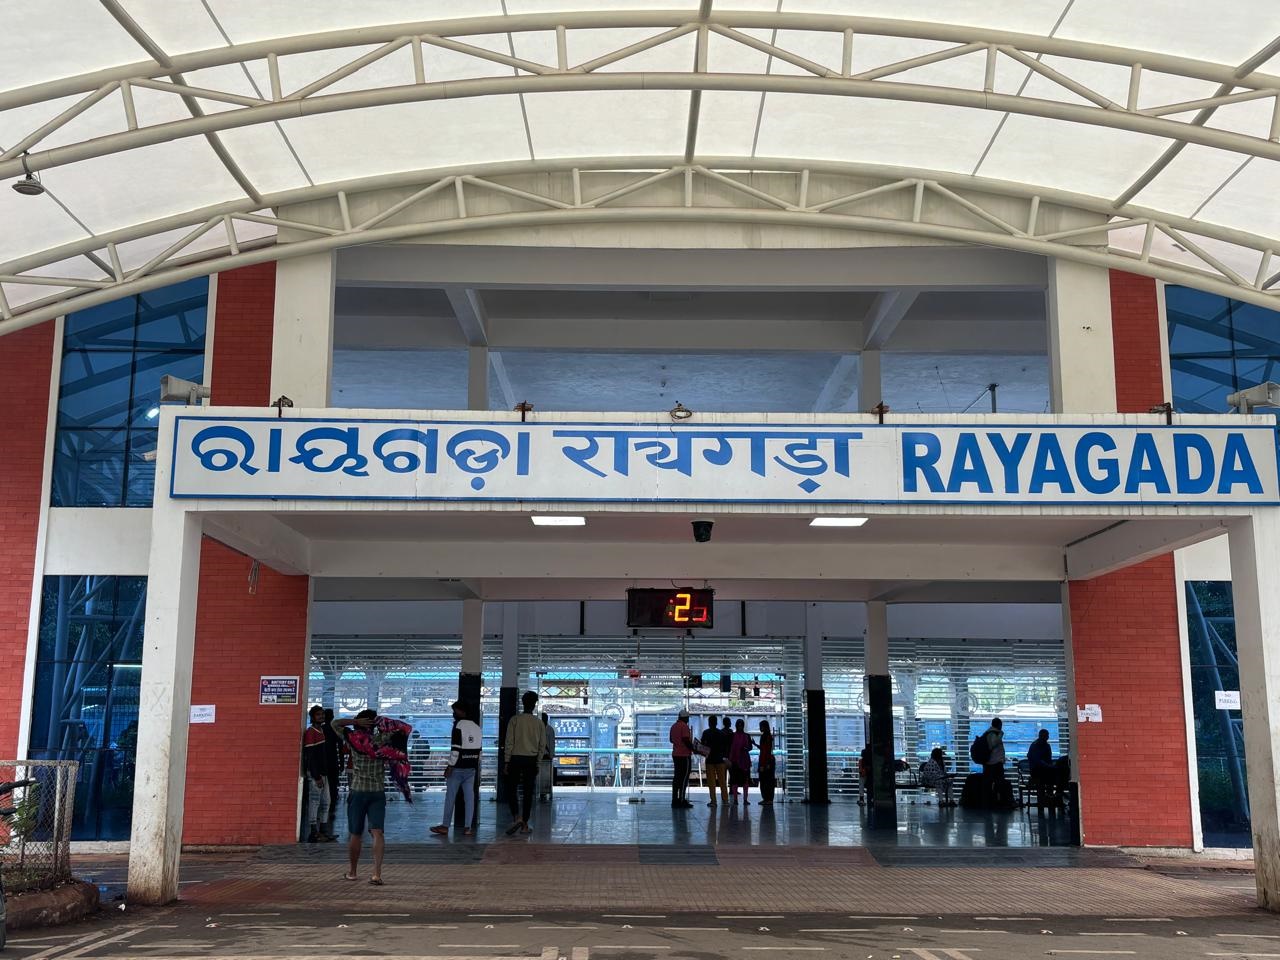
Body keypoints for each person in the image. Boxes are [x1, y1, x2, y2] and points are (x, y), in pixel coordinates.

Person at [331, 708, 411, 885]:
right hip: (377, 792)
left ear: (360, 723)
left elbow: (334, 723)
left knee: (355, 834)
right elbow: (403, 728)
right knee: (377, 833)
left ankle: (352, 872)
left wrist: (354, 722)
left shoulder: (353, 739)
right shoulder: (382, 740)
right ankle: (376, 874)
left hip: (358, 791)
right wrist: (382, 722)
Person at [430, 701, 481, 837]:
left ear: (461, 711)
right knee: (469, 798)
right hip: (471, 768)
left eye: (455, 711)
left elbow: (455, 749)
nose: (454, 713)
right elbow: (479, 750)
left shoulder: (458, 726)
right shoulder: (477, 727)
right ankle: (468, 827)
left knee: (450, 797)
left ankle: (445, 826)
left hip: (457, 768)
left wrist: (450, 766)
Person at [504, 690, 546, 836]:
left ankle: (517, 816)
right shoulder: (539, 723)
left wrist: (507, 761)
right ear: (534, 705)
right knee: (528, 792)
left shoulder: (514, 720)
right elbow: (542, 746)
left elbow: (509, 742)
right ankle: (525, 824)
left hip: (515, 758)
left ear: (522, 703)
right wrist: (538, 763)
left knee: (511, 789)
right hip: (531, 760)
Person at [301, 706, 336, 842]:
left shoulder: (322, 730)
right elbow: (310, 756)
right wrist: (316, 776)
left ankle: (323, 830)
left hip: (323, 773)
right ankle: (313, 832)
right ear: (312, 717)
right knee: (315, 801)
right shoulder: (311, 732)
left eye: (322, 714)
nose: (321, 716)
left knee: (326, 802)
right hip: (316, 774)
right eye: (318, 714)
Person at [321, 707, 343, 839]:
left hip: (323, 761)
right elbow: (340, 747)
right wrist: (342, 763)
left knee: (324, 785)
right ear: (333, 717)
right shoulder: (335, 729)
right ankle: (331, 807)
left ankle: (324, 808)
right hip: (333, 761)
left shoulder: (321, 729)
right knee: (333, 785)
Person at [1027, 729, 1064, 805]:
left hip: (1043, 770)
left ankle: (1051, 796)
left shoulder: (1044, 745)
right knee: (1053, 775)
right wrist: (1050, 766)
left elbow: (1047, 760)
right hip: (1037, 771)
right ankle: (1052, 796)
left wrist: (1050, 766)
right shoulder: (1036, 746)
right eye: (1046, 736)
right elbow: (1038, 761)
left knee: (1055, 774)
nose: (1047, 737)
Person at [669, 709, 695, 808]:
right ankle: (682, 800)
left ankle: (674, 799)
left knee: (677, 777)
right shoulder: (684, 726)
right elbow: (686, 740)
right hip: (684, 755)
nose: (688, 720)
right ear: (685, 718)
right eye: (687, 718)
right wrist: (693, 748)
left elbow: (671, 740)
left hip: (675, 755)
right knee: (684, 778)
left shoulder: (673, 726)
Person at [701, 714, 728, 806]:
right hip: (720, 760)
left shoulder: (706, 733)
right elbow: (725, 747)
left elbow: (702, 746)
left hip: (710, 760)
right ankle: (725, 800)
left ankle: (713, 801)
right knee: (722, 781)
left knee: (711, 782)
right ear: (716, 723)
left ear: (709, 723)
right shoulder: (721, 733)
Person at [981, 717, 1007, 808]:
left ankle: (991, 801)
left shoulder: (989, 733)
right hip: (994, 763)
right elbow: (993, 744)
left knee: (991, 782)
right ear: (999, 725)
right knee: (997, 782)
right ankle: (994, 801)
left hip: (992, 762)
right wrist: (1000, 734)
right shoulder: (993, 733)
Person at [728, 718, 755, 804]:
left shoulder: (733, 735)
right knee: (740, 780)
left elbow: (750, 747)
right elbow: (750, 747)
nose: (740, 727)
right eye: (739, 725)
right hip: (740, 761)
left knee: (739, 780)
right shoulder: (746, 736)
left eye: (741, 725)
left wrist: (745, 748)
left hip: (740, 761)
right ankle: (740, 800)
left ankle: (740, 800)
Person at [757, 720, 777, 805]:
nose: (760, 728)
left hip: (766, 761)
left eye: (761, 726)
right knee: (769, 781)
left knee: (765, 781)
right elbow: (765, 749)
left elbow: (765, 751)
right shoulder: (769, 736)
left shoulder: (765, 737)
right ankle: (768, 799)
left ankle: (767, 799)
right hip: (769, 761)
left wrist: (764, 764)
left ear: (764, 727)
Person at [537, 712, 556, 802]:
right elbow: (552, 743)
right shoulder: (548, 729)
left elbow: (551, 743)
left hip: (545, 756)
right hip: (543, 755)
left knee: (545, 776)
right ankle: (542, 791)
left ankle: (545, 791)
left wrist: (551, 755)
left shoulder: (548, 729)